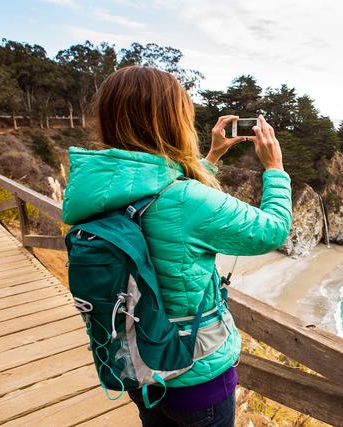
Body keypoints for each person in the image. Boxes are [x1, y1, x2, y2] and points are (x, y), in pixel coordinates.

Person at [61, 66, 293, 426]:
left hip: (137, 364)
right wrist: (274, 168)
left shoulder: (95, 188)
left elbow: (155, 192)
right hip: (194, 373)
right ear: (173, 121)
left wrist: (212, 158)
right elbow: (273, 230)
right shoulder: (187, 200)